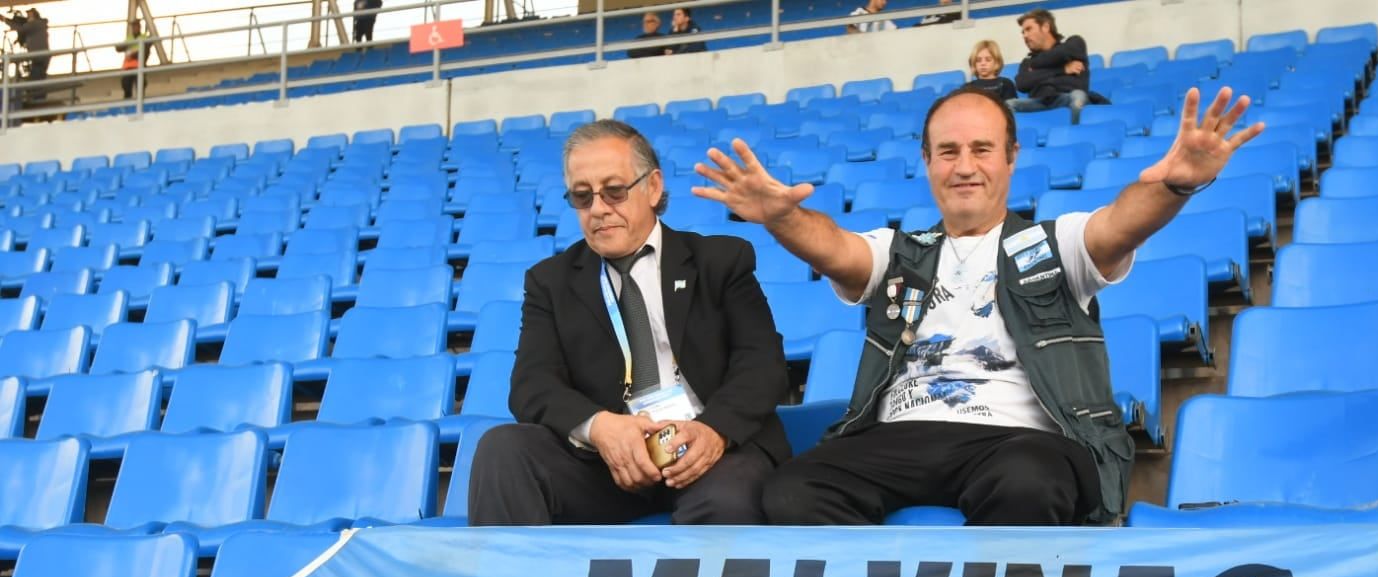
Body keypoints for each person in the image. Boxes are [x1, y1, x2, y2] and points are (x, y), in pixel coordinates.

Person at [695, 85, 1263, 526]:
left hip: (1017, 438)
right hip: (901, 435)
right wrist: (783, 217)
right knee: (793, 490)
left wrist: (1173, 186)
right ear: (927, 161)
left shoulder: (1055, 244)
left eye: (981, 149)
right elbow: (835, 248)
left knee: (1028, 482)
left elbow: (1119, 225)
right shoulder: (899, 253)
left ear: (1011, 157)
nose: (964, 166)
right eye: (948, 151)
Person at [467, 120, 790, 527]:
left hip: (712, 451)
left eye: (614, 191)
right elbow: (532, 385)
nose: (598, 209)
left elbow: (761, 365)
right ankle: (511, 574)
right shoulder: (550, 282)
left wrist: (713, 432)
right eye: (582, 196)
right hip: (609, 464)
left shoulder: (721, 260)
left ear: (652, 187)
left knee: (726, 500)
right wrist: (601, 428)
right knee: (502, 449)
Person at [1011, 9, 1090, 123]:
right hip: (1039, 103)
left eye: (1029, 29)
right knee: (1009, 104)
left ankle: (1075, 132)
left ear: (1046, 27)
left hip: (1067, 98)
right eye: (1023, 32)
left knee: (1078, 96)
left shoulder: (1074, 44)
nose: (1025, 35)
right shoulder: (1027, 61)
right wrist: (1063, 69)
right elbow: (1022, 84)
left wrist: (1037, 71)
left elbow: (1060, 54)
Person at [115, 19, 151, 101]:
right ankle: (127, 103)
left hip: (139, 65)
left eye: (135, 26)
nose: (134, 28)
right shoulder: (129, 38)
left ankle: (140, 102)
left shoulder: (144, 37)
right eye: (133, 26)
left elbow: (146, 50)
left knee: (140, 86)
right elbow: (118, 48)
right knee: (126, 86)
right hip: (128, 66)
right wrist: (127, 46)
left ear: (139, 27)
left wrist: (132, 54)